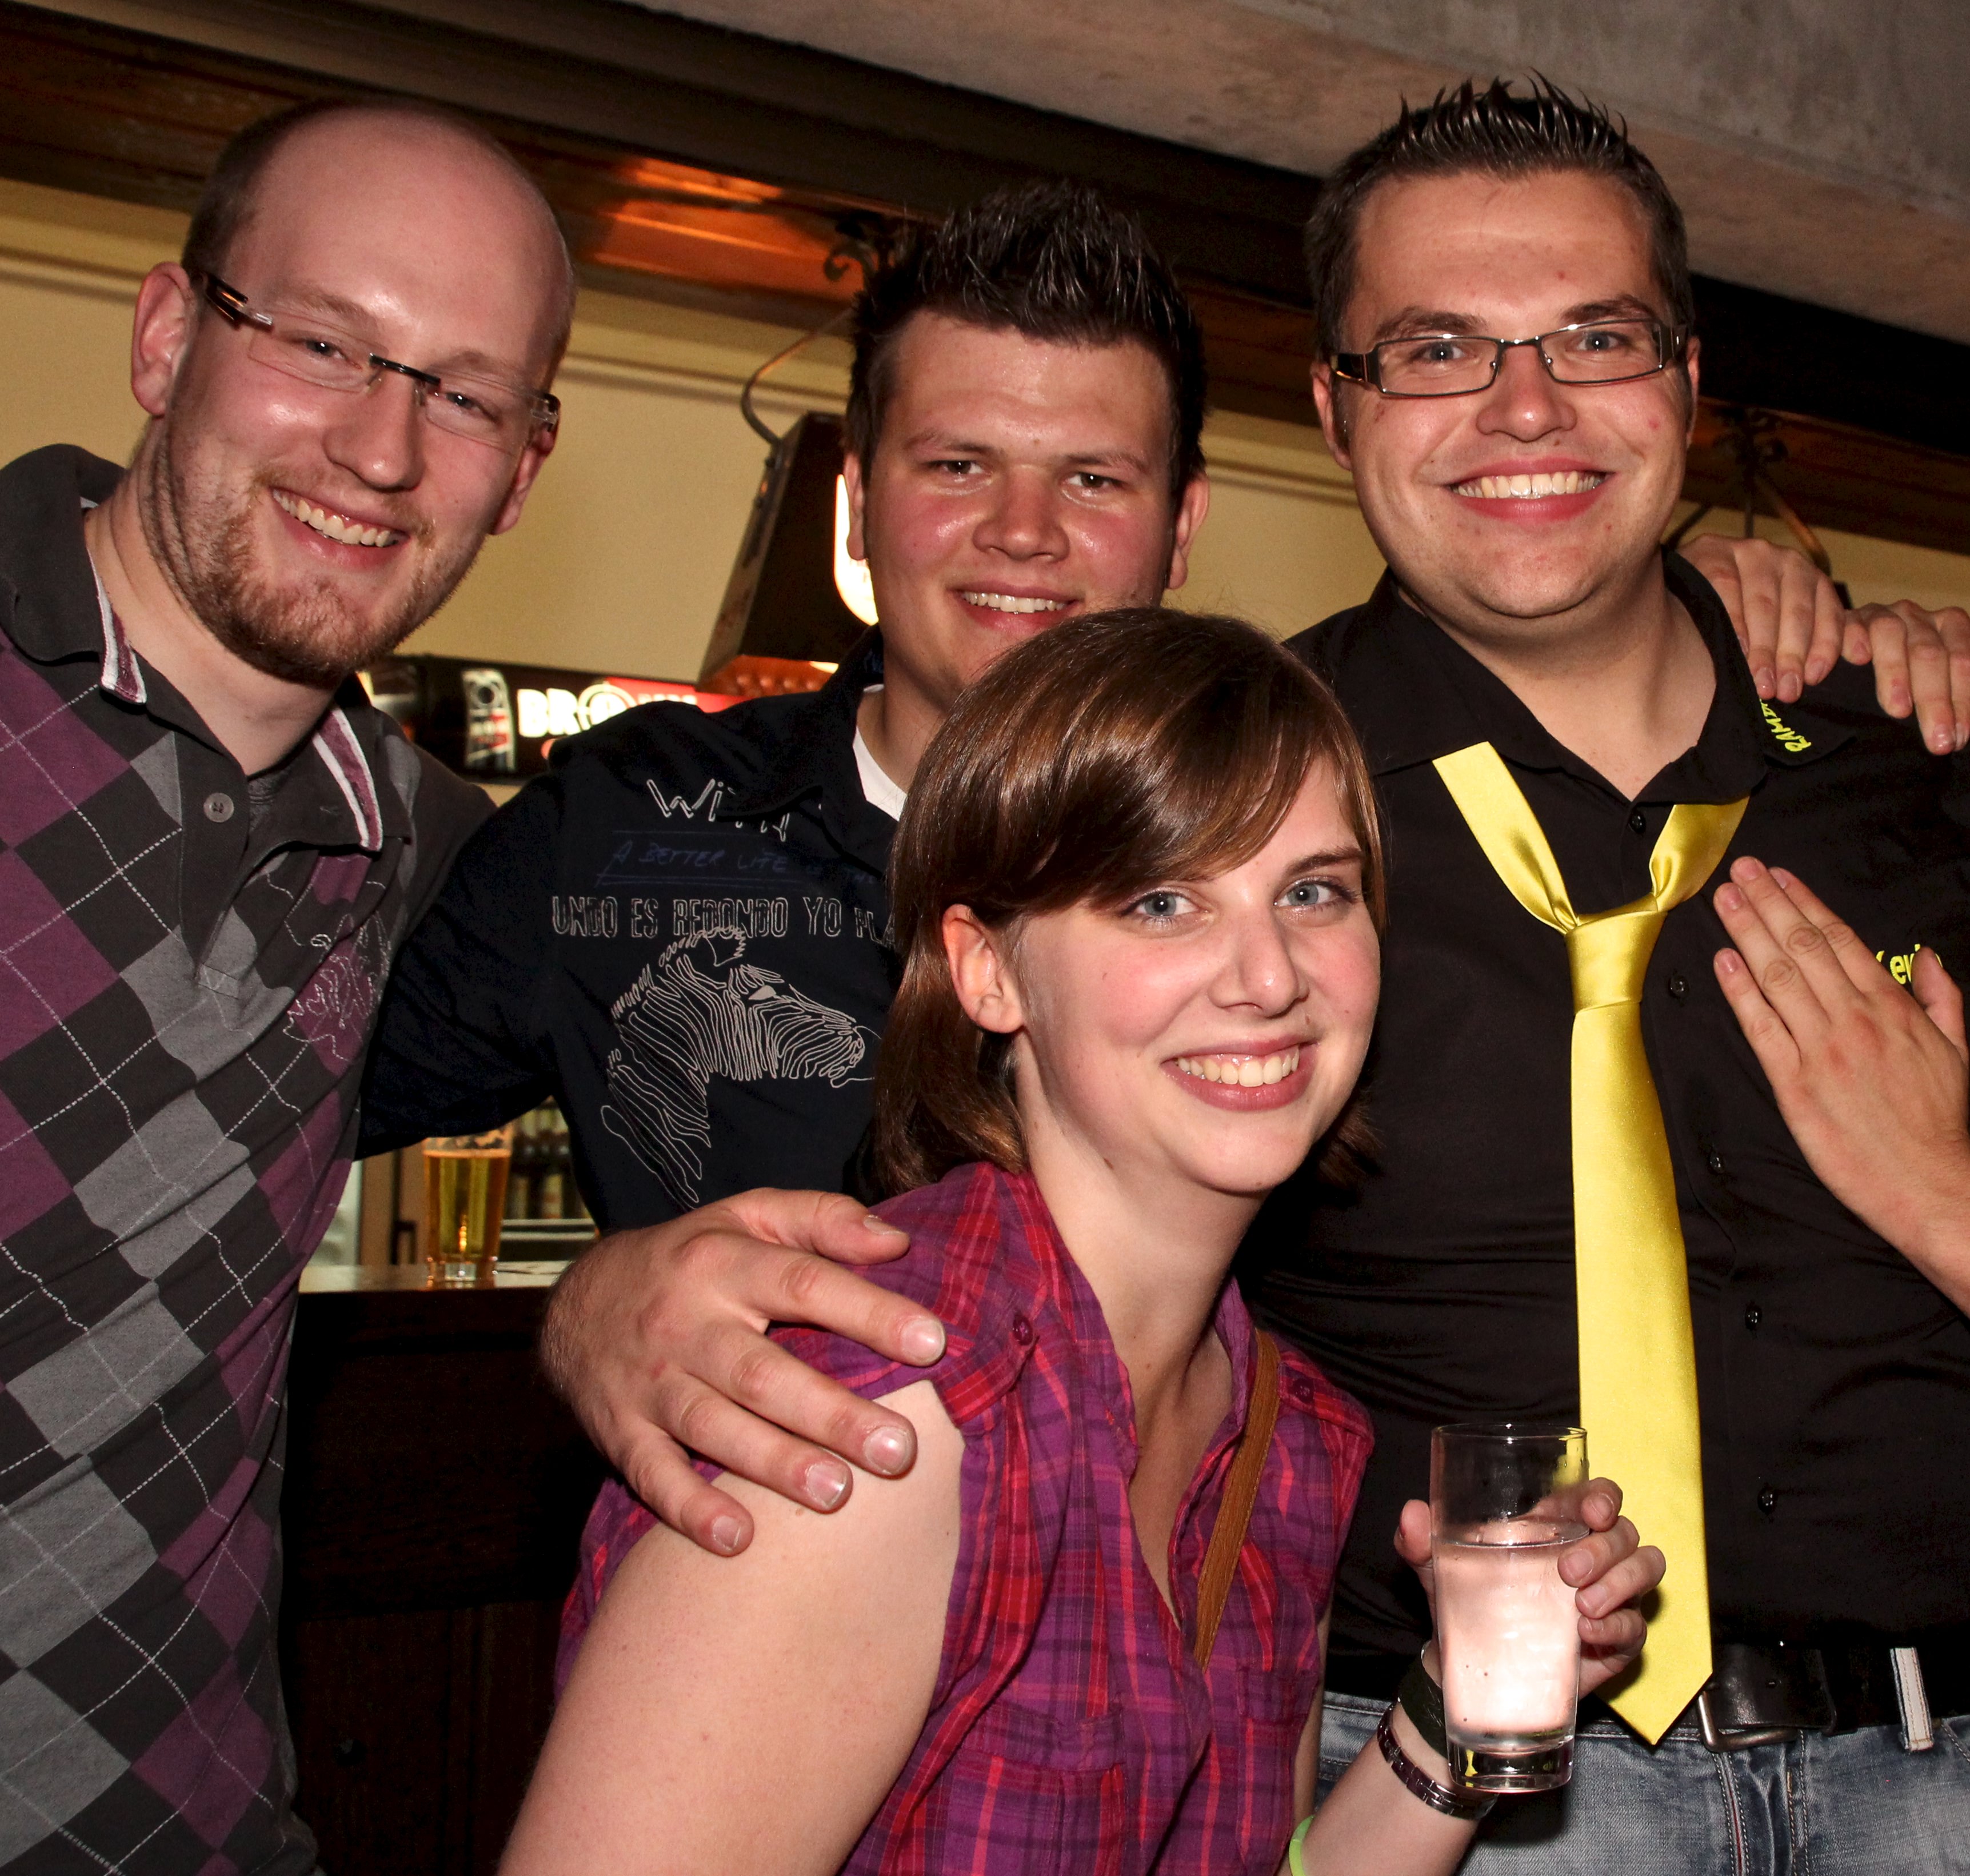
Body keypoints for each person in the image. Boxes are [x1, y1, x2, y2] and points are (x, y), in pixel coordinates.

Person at [359, 178, 1944, 1552]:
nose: (1023, 533)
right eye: (957, 465)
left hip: (1181, 1655)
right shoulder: (634, 825)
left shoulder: (1288, 832)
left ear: (1180, 532)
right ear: (857, 503)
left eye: (1094, 479)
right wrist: (588, 1305)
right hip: (769, 1604)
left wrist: (1727, 600)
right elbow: (286, 1116)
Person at [500, 608, 1664, 1876]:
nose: (1269, 976)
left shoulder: (1288, 1433)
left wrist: (1464, 1698)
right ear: (987, 971)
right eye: (1163, 901)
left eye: (1312, 891)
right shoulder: (882, 1416)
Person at [1258, 79, 1970, 1869]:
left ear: (1686, 384)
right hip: (1449, 1786)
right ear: (1333, 406)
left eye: (1596, 336)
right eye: (1438, 348)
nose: (1527, 407)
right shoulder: (1225, 795)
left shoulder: (1924, 753)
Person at [0, 97, 569, 1870]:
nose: (379, 449)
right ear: (168, 335)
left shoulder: (428, 855)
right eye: (321, 342)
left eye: (463, 395)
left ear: (523, 469)